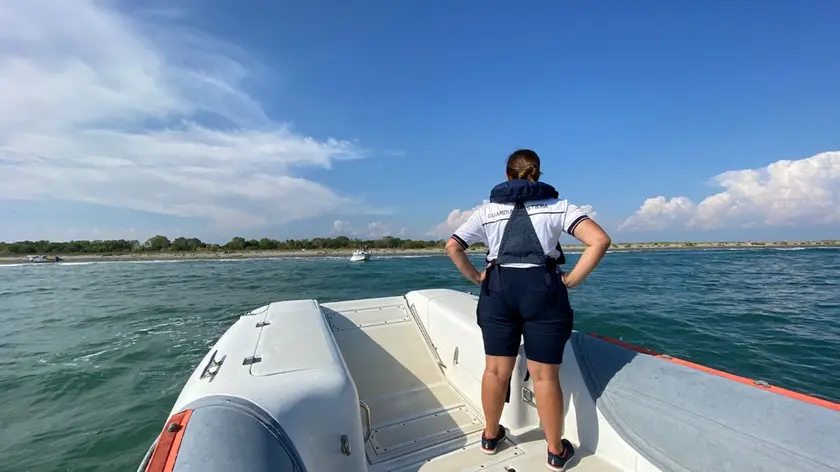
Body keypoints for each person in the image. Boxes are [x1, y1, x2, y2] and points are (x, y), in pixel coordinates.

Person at [445, 149, 611, 471]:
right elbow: (599, 241)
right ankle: (554, 451)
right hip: (544, 291)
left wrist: (477, 276)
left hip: (498, 291)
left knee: (495, 370)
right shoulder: (559, 207)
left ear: (507, 176)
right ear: (538, 174)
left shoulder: (487, 211)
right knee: (545, 375)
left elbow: (453, 246)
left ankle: (491, 437)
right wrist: (573, 279)